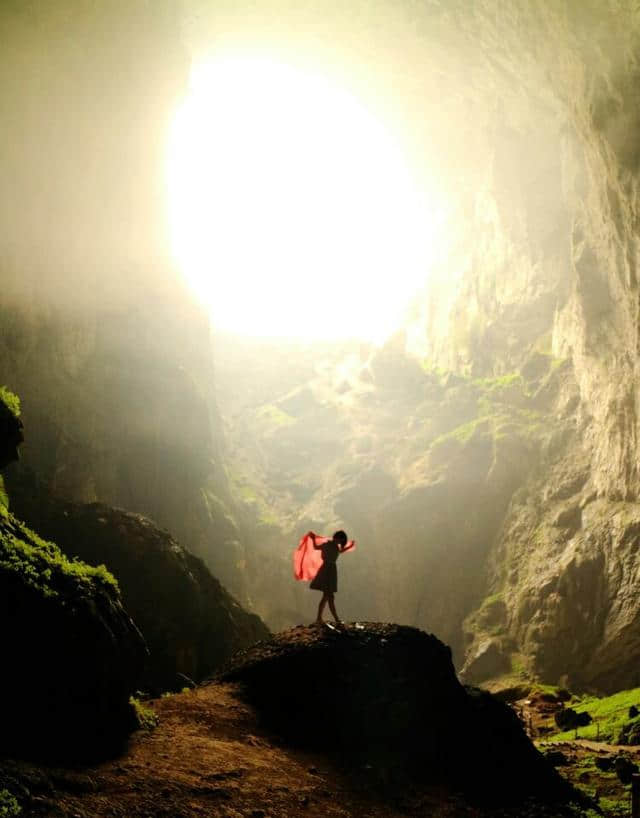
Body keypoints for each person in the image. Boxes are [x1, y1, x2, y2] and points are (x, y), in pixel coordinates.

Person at [309, 530, 351, 625]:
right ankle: (335, 619)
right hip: (326, 571)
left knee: (326, 596)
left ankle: (319, 618)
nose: (340, 542)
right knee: (329, 596)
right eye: (341, 540)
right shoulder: (326, 545)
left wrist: (349, 546)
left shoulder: (336, 547)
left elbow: (340, 551)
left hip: (331, 571)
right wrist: (312, 539)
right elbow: (316, 547)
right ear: (337, 538)